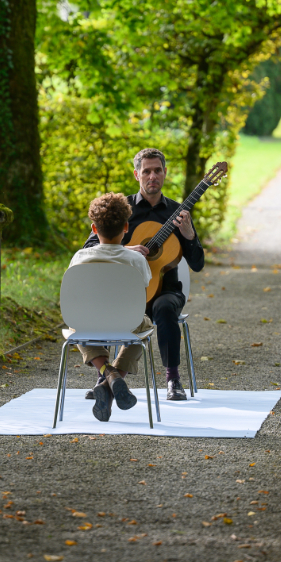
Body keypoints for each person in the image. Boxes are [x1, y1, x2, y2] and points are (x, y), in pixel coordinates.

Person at [81, 147, 204, 401]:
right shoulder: (120, 209)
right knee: (102, 308)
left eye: (157, 170)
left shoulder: (178, 212)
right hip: (126, 291)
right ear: (137, 174)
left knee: (165, 307)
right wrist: (124, 250)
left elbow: (198, 263)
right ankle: (107, 379)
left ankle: (173, 381)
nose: (152, 176)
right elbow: (89, 249)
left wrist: (190, 236)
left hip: (166, 290)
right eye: (146, 171)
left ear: (165, 173)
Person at [69, 192, 154, 422]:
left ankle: (108, 375)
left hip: (89, 322)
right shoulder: (136, 260)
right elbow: (143, 289)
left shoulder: (80, 257)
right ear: (126, 227)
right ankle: (115, 378)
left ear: (94, 229)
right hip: (128, 322)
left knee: (76, 327)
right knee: (147, 328)